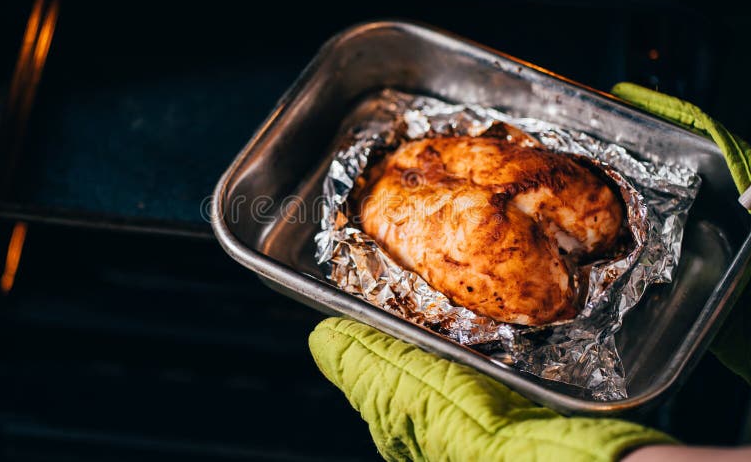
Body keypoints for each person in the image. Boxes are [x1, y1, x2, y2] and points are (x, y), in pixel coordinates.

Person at [308, 83, 751, 462]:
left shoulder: (567, 251)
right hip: (532, 224)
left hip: (530, 244)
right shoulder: (590, 221)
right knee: (537, 267)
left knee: (538, 277)